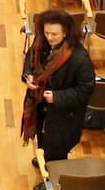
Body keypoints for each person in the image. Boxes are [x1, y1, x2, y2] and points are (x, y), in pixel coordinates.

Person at [23, 9, 95, 167]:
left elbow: (86, 89)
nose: (49, 37)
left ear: (65, 33)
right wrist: (28, 75)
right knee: (43, 139)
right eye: (46, 32)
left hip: (63, 116)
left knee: (58, 152)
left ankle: (51, 178)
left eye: (54, 34)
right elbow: (30, 58)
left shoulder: (79, 58)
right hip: (41, 107)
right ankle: (45, 161)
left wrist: (57, 97)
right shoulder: (42, 43)